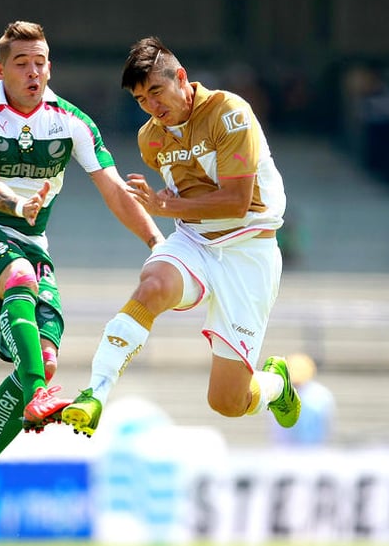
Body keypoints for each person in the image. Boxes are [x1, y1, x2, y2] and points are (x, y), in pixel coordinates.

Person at [0, 21, 164, 542]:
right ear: (1, 70)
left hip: (34, 247)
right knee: (18, 285)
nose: (33, 71)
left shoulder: (72, 121)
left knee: (46, 353)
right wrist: (19, 204)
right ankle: (37, 389)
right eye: (21, 63)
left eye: (40, 62)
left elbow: (113, 189)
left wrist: (156, 241)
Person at [61, 37, 301, 438]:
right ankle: (95, 393)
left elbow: (238, 202)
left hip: (249, 251)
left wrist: (165, 206)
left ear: (182, 78)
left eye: (156, 90)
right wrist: (169, 205)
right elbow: (185, 196)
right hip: (194, 242)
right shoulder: (150, 139)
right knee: (153, 285)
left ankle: (276, 384)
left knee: (227, 402)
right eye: (140, 99)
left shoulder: (230, 112)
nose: (152, 106)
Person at [270, 353, 335, 446]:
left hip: (313, 450)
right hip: (286, 453)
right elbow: (278, 431)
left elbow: (325, 428)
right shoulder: (278, 396)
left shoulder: (321, 396)